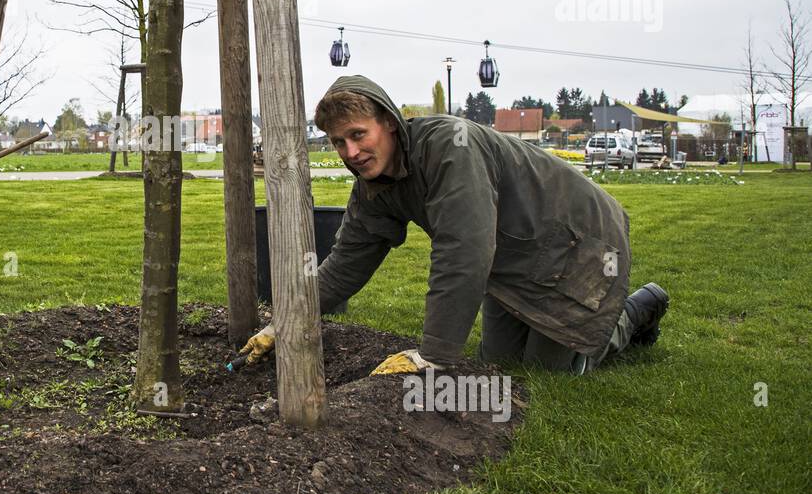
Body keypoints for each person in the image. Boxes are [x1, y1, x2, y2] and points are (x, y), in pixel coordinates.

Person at [240, 75, 669, 375]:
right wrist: (287, 320)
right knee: (500, 365)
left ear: (389, 123)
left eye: (358, 134)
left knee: (553, 370)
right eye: (338, 142)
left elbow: (463, 250)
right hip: (512, 258)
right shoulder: (375, 187)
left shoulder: (449, 147)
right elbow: (344, 265)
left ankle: (634, 312)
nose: (350, 152)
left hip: (578, 242)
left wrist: (434, 355)